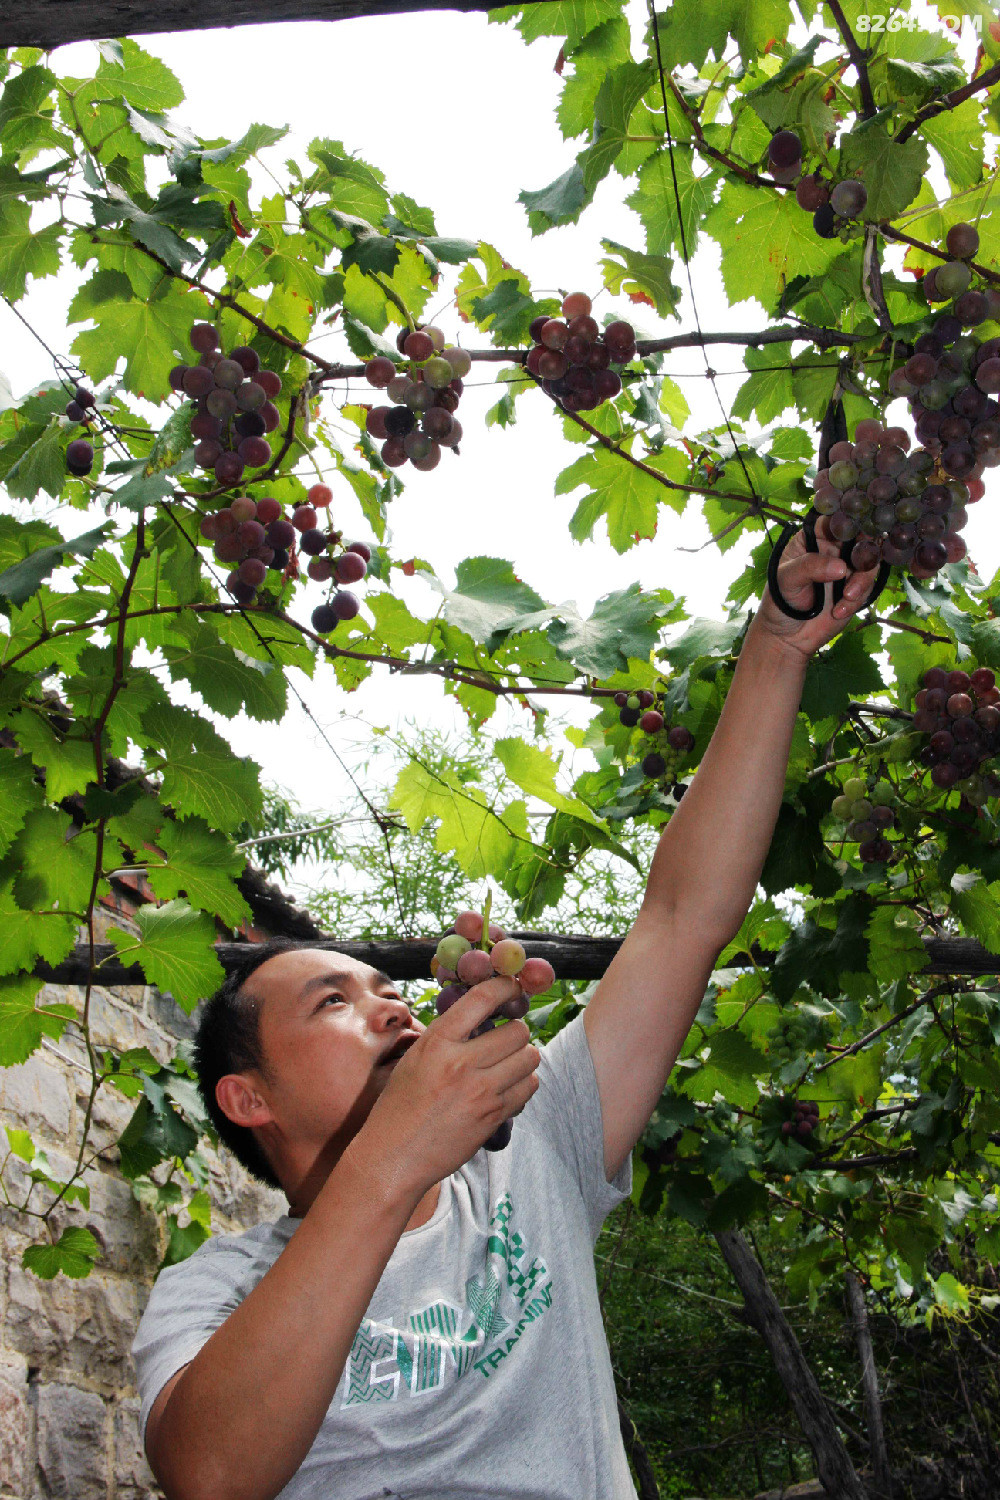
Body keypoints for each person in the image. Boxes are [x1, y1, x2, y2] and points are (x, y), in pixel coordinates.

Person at [131, 535, 877, 1500]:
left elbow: (684, 919)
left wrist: (778, 640)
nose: (388, 1000)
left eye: (383, 985)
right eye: (333, 1001)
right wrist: (391, 1160)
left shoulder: (532, 1160)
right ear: (247, 1097)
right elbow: (213, 1475)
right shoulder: (215, 1289)